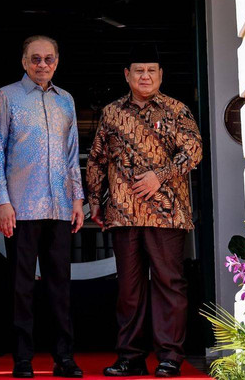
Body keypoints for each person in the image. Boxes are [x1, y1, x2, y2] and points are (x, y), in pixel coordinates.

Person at [86, 43, 203, 378]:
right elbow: (97, 159)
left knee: (169, 284)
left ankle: (169, 357)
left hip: (166, 214)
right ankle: (130, 357)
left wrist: (159, 177)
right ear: (127, 75)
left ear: (161, 75)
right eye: (139, 70)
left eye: (152, 70)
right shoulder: (110, 113)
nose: (145, 76)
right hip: (123, 213)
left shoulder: (176, 110)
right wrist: (95, 200)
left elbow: (194, 151)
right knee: (129, 289)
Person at [0, 35, 84, 378]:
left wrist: (78, 199)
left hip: (59, 208)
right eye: (35, 59)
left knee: (61, 287)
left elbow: (72, 156)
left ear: (57, 61)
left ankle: (64, 358)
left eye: (49, 59)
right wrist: (2, 201)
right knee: (20, 287)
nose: (43, 64)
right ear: (24, 61)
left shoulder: (66, 101)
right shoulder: (7, 97)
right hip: (21, 208)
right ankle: (23, 359)